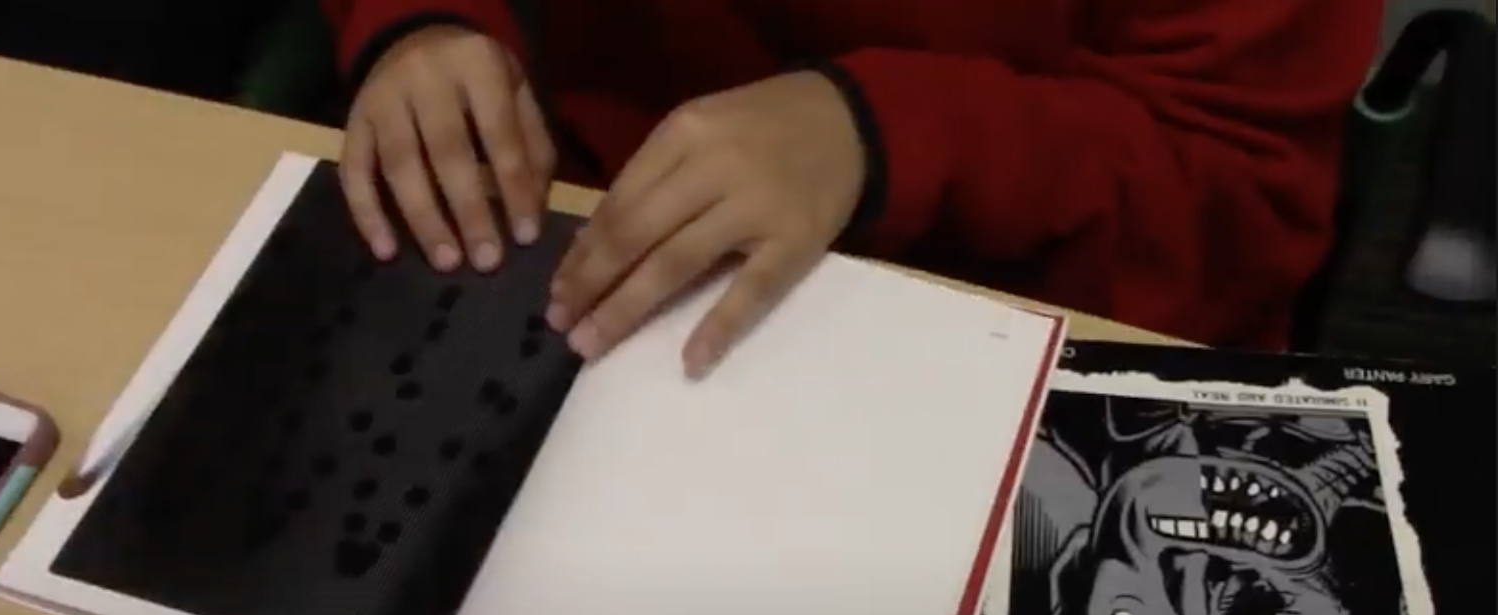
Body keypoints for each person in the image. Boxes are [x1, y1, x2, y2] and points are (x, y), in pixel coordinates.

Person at [322, 0, 1382, 377]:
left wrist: (887, 134)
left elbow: (1233, 199)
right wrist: (423, 25)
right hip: (595, 254)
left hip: (1019, 335)